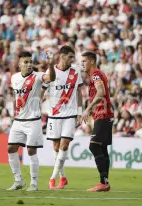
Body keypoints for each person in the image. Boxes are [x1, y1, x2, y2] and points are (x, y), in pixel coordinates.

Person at [7, 51, 56, 191]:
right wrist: (13, 112)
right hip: (18, 120)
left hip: (33, 120)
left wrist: (50, 64)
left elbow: (51, 77)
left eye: (30, 62)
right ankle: (18, 180)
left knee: (31, 151)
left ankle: (34, 183)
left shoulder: (38, 76)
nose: (29, 64)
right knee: (10, 148)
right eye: (26, 62)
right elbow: (15, 97)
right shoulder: (14, 78)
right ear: (19, 64)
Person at [44, 46, 83, 189]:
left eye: (73, 57)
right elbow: (43, 88)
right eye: (70, 57)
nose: (72, 60)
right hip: (54, 114)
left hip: (70, 114)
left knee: (64, 145)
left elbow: (79, 92)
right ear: (62, 56)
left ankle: (52, 179)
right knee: (56, 147)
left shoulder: (75, 71)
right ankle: (63, 177)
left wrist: (79, 111)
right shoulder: (51, 71)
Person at [81, 51, 114, 192]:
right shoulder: (95, 75)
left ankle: (103, 182)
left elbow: (101, 93)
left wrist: (88, 108)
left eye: (84, 61)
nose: (82, 63)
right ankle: (104, 183)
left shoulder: (96, 75)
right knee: (102, 148)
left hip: (104, 114)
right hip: (102, 114)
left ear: (92, 61)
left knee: (94, 146)